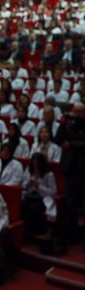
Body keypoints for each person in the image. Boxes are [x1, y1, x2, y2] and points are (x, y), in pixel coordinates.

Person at [54, 103, 85, 246]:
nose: (77, 114)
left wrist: (71, 145)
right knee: (70, 205)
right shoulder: (69, 125)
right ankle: (73, 235)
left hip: (83, 171)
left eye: (80, 112)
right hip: (70, 170)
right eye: (75, 112)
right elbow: (58, 139)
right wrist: (62, 123)